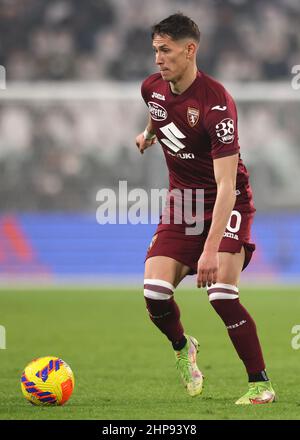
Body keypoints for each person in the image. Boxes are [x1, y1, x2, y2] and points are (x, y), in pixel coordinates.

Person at [135, 13, 275, 405]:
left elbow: (227, 186)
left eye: (165, 51)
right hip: (183, 204)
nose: (158, 59)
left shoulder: (216, 105)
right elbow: (158, 110)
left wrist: (211, 249)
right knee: (155, 291)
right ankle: (183, 348)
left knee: (221, 295)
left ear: (189, 50)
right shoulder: (152, 88)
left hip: (227, 202)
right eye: (155, 51)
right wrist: (148, 134)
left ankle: (260, 384)